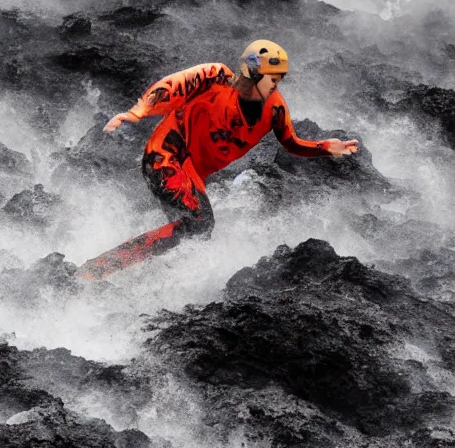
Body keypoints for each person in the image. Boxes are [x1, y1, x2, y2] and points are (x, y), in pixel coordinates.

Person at [77, 40, 358, 280]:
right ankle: (98, 269)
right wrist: (137, 112)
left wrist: (324, 147)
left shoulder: (274, 108)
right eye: (272, 78)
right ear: (251, 72)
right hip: (164, 158)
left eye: (279, 79)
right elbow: (173, 87)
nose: (276, 85)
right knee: (200, 224)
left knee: (192, 234)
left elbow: (292, 143)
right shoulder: (215, 76)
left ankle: (137, 279)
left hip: (191, 175)